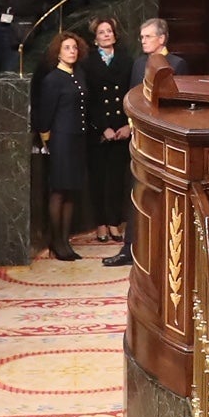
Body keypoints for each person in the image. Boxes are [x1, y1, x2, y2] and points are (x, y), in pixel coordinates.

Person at [34, 29, 92, 261]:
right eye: (67, 48)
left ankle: (65, 241)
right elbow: (45, 115)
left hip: (78, 138)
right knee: (59, 190)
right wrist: (47, 141)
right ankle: (56, 241)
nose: (72, 51)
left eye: (74, 48)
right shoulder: (52, 79)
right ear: (58, 52)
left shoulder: (78, 75)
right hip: (61, 140)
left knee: (71, 191)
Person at [87, 15, 135, 256]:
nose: (106, 35)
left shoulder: (127, 60)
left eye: (109, 31)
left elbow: (131, 93)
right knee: (98, 178)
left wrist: (127, 125)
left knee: (117, 178)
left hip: (120, 129)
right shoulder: (87, 62)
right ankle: (101, 222)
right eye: (102, 32)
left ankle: (115, 221)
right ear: (95, 38)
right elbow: (89, 99)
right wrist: (101, 127)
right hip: (99, 130)